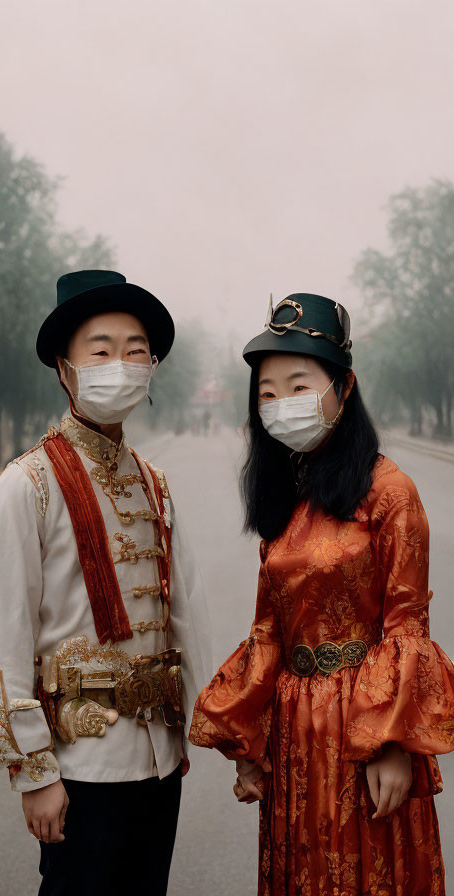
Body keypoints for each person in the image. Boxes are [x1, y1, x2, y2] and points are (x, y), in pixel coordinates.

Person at [189, 293, 454, 896]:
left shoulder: (390, 493)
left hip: (364, 732)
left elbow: (407, 626)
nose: (282, 405)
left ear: (344, 385)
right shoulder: (285, 498)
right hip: (295, 734)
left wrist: (392, 743)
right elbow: (267, 632)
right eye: (267, 393)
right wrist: (248, 744)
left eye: (299, 385)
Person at [0, 269, 211, 896]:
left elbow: (189, 620)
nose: (120, 364)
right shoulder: (28, 485)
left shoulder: (154, 484)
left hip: (157, 762)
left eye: (136, 350)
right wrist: (34, 772)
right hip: (80, 765)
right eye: (100, 350)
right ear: (65, 369)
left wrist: (208, 729)